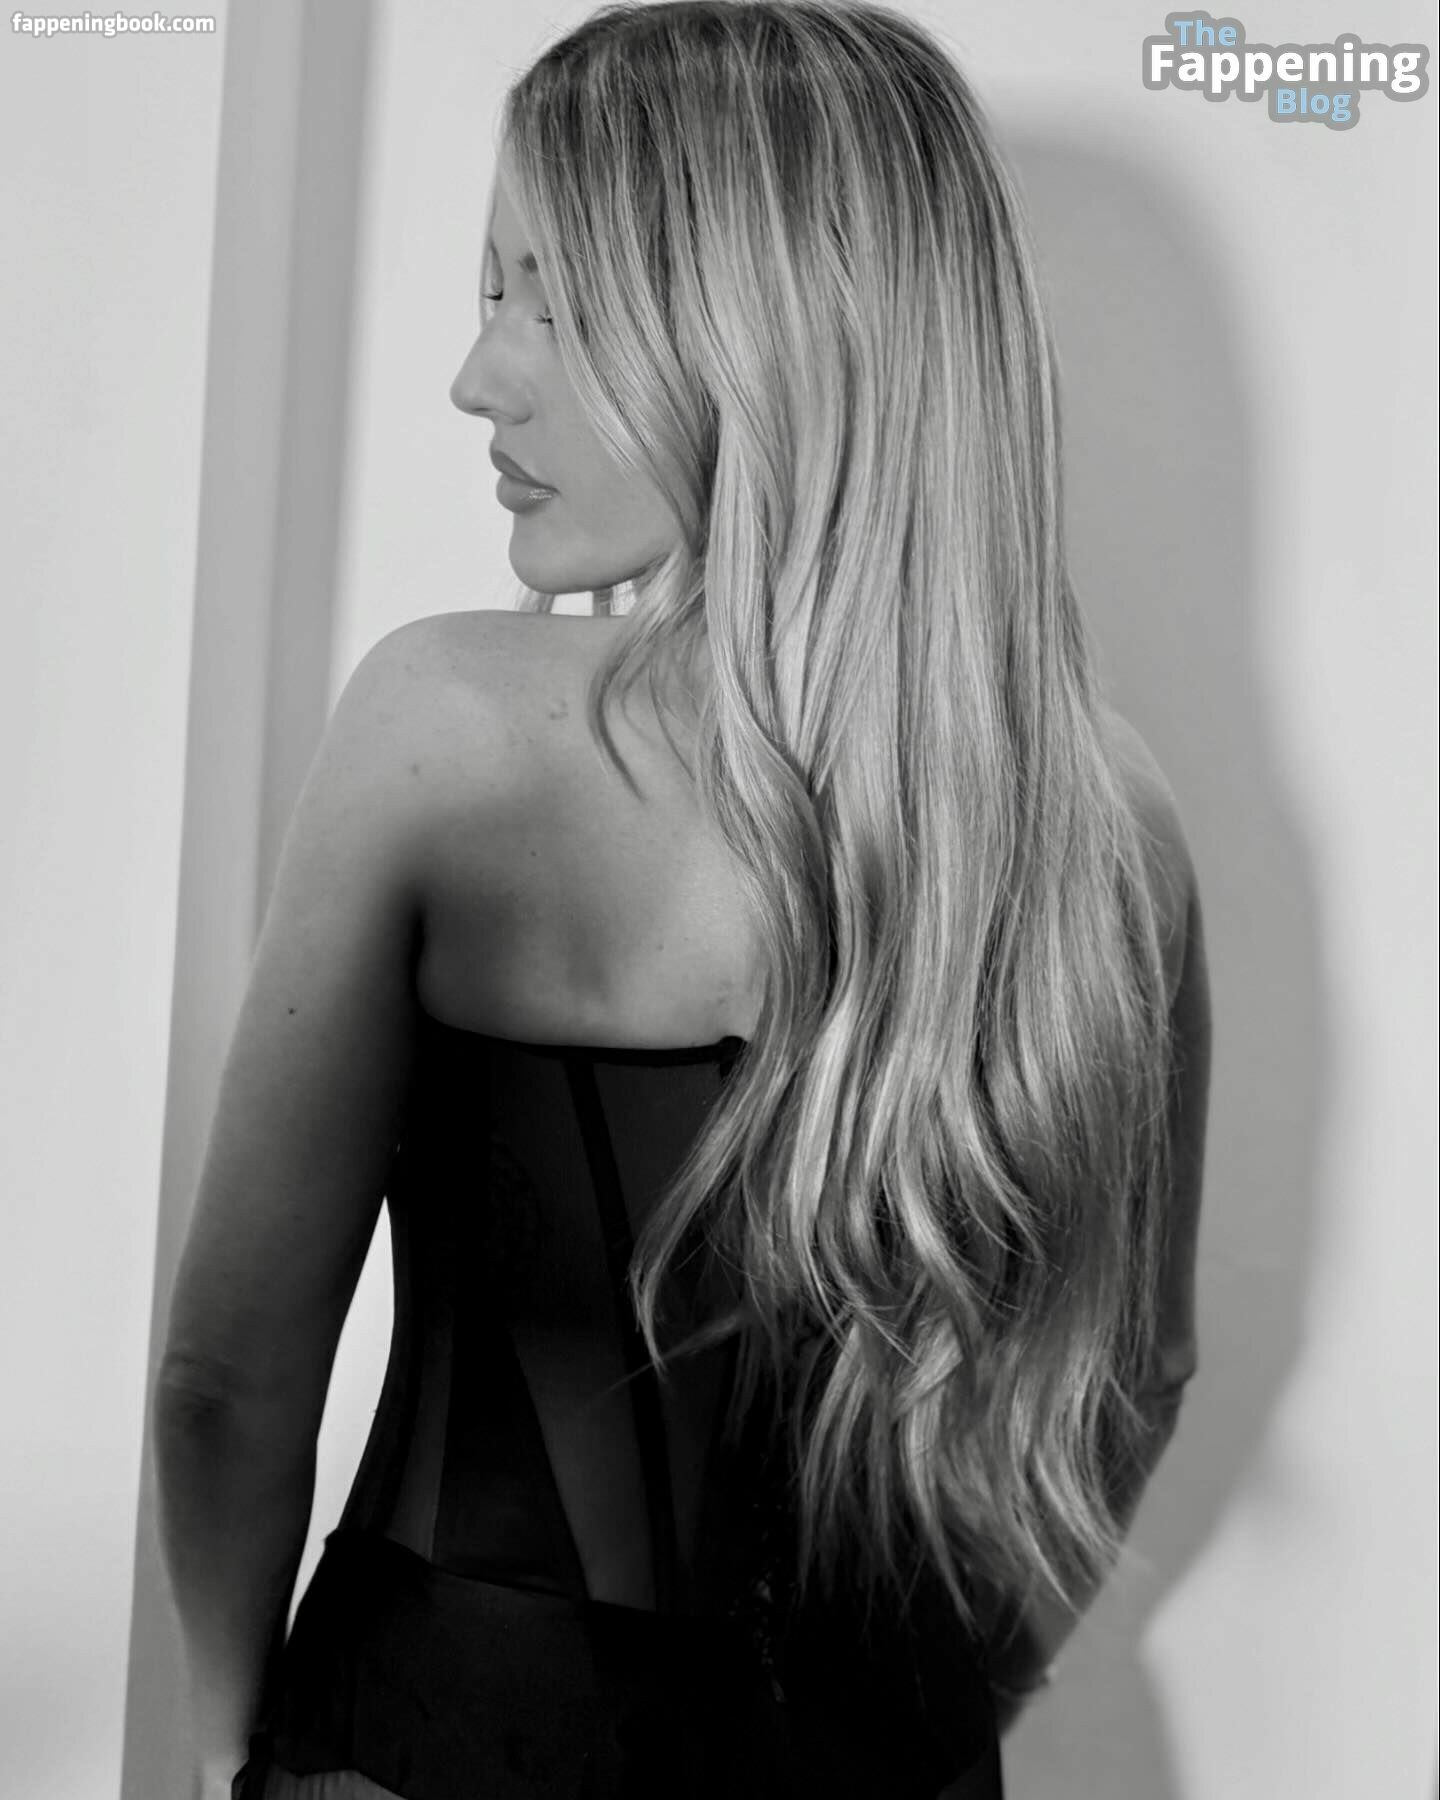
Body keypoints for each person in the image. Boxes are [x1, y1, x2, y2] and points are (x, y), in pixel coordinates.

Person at [150, 3, 1212, 1797]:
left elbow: (225, 1385)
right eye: (491, 293)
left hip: (423, 1743)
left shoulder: (445, 727)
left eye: (553, 303)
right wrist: (951, 1707)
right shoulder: (1106, 823)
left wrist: (226, 1750)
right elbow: (1137, 1376)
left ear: (767, 332)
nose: (479, 377)